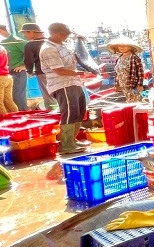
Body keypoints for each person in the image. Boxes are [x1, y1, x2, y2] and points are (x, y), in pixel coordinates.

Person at [39, 22, 90, 155]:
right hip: (62, 85)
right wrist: (80, 73)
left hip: (74, 82)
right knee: (69, 111)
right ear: (54, 33)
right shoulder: (48, 49)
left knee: (80, 110)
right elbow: (59, 70)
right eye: (63, 35)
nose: (65, 37)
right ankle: (66, 144)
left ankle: (72, 139)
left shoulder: (62, 46)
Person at [22, 22, 56, 110]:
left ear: (32, 32)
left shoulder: (30, 45)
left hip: (42, 71)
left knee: (48, 94)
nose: (24, 35)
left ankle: (53, 112)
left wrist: (29, 71)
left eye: (25, 32)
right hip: (59, 70)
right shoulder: (52, 42)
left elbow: (28, 61)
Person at [107, 36, 145, 103]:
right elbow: (117, 73)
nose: (122, 47)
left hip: (133, 86)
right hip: (123, 86)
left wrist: (139, 85)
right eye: (119, 46)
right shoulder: (119, 59)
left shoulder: (135, 58)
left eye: (124, 45)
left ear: (130, 47)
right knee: (126, 103)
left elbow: (140, 72)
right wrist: (117, 85)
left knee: (135, 102)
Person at [0, 25, 28, 112]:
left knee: (18, 96)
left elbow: (33, 56)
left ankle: (24, 116)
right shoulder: (2, 44)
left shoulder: (18, 41)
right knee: (8, 98)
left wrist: (25, 66)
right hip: (6, 74)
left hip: (18, 72)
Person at [0, 41, 14, 115]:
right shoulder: (2, 48)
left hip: (0, 77)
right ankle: (16, 117)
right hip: (6, 76)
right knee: (8, 100)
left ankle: (2, 120)